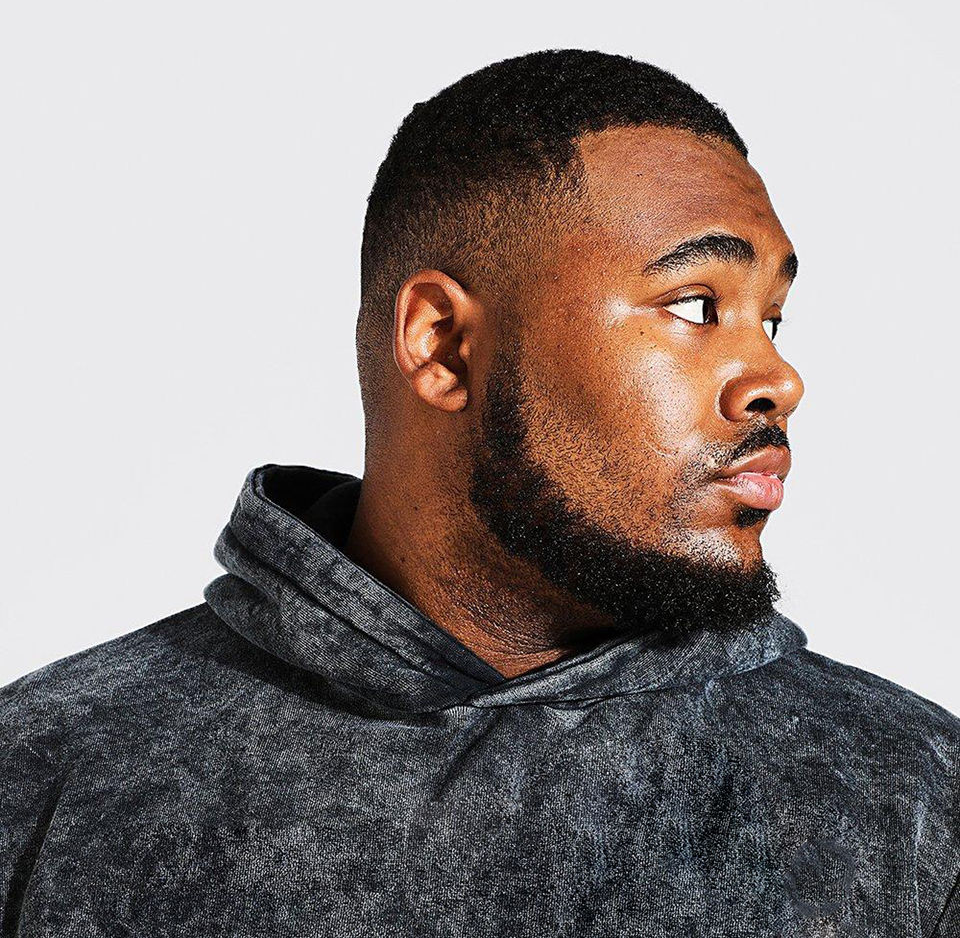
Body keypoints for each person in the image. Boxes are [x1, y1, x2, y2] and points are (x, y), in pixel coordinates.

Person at [2, 48, 957, 937]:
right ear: (444, 345)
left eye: (774, 318)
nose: (779, 380)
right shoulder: (42, 774)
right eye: (697, 305)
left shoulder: (916, 800)